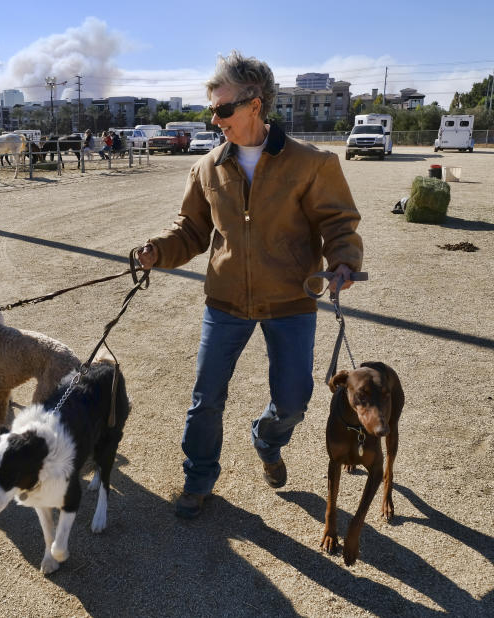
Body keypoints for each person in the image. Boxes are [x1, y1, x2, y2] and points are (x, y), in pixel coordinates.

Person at [135, 52, 363, 519]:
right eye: (212, 111)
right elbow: (191, 232)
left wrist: (342, 261)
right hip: (226, 302)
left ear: (255, 104)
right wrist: (158, 250)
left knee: (295, 400)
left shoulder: (313, 164)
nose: (215, 120)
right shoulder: (206, 168)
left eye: (223, 110)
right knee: (206, 398)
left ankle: (267, 437)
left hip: (292, 300)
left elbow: (339, 222)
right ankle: (198, 479)